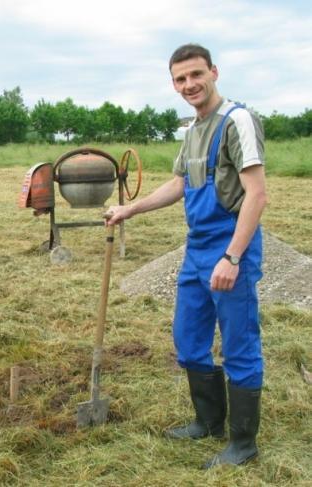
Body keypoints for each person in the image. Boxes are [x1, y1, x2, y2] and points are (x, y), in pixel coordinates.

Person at [106, 43, 267, 468]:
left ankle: (243, 443)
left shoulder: (237, 121)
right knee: (189, 340)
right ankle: (208, 422)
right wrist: (130, 208)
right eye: (180, 79)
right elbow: (179, 183)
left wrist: (232, 258)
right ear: (174, 84)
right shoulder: (193, 129)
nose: (189, 84)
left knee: (238, 345)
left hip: (232, 246)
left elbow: (257, 194)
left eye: (196, 75)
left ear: (213, 71)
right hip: (196, 249)